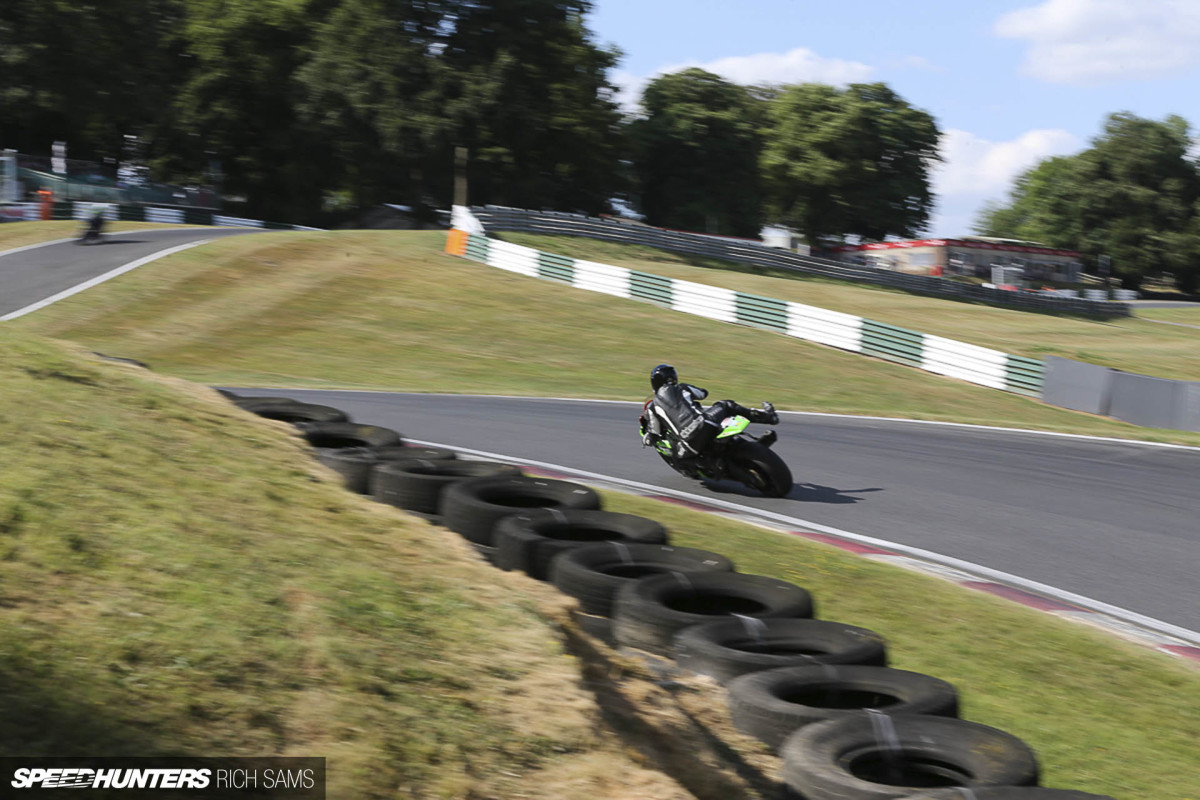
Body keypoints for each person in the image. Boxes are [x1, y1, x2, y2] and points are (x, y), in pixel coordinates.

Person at [641, 363, 778, 459]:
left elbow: (654, 434)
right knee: (726, 405)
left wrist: (647, 439)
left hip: (687, 445)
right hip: (704, 425)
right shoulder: (682, 388)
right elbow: (703, 394)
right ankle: (769, 417)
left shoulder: (653, 407)